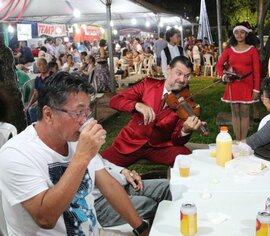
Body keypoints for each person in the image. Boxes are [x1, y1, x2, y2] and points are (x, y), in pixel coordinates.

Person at [0, 72, 149, 236]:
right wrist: (82, 157)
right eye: (78, 113)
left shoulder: (75, 138)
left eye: (87, 112)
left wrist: (141, 228)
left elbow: (110, 185)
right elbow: (45, 218)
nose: (85, 120)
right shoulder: (16, 154)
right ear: (49, 114)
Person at [101, 56, 202, 167]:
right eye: (179, 73)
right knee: (100, 166)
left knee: (189, 162)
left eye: (187, 76)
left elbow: (177, 140)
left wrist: (185, 130)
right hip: (131, 143)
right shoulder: (147, 84)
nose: (183, 80)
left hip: (160, 147)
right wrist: (136, 105)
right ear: (168, 70)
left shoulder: (186, 102)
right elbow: (115, 101)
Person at [216, 22, 261, 141]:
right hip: (233, 85)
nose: (239, 35)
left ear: (246, 34)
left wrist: (256, 89)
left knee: (245, 114)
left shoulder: (252, 50)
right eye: (236, 32)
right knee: (235, 113)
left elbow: (257, 72)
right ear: (233, 34)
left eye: (242, 32)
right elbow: (219, 66)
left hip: (247, 85)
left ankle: (243, 141)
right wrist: (223, 76)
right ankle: (237, 140)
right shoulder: (229, 50)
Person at [94, 159, 171, 227]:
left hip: (120, 184)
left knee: (167, 187)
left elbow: (101, 162)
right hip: (99, 202)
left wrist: (124, 171)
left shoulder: (90, 149)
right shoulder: (84, 151)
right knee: (151, 205)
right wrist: (141, 229)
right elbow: (109, 185)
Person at [24, 57, 52, 123]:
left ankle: (37, 129)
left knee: (32, 110)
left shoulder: (52, 77)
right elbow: (36, 93)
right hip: (40, 102)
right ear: (37, 67)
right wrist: (28, 105)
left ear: (47, 65)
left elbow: (52, 93)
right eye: (39, 65)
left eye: (43, 64)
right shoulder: (37, 78)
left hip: (50, 101)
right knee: (27, 110)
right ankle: (31, 128)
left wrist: (39, 101)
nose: (42, 66)